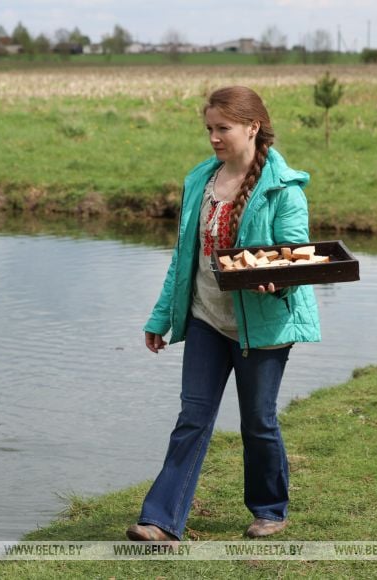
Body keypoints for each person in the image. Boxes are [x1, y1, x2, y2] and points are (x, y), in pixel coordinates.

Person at [126, 86, 321, 543]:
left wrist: (279, 278)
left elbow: (294, 253)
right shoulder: (200, 180)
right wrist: (161, 317)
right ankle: (160, 520)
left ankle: (270, 509)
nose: (213, 137)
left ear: (252, 127)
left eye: (223, 128)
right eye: (209, 129)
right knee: (192, 418)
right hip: (205, 319)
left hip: (264, 325)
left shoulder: (284, 188)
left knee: (258, 420)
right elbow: (183, 259)